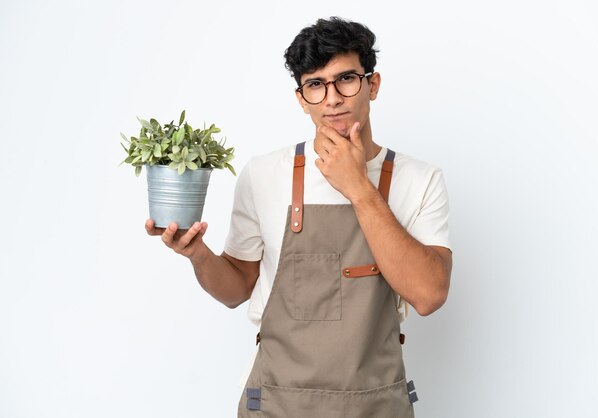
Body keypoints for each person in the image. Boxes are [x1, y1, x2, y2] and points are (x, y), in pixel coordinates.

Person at [146, 16, 452, 418]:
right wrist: (198, 254)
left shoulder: (420, 179)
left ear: (372, 85)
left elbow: (429, 295)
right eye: (315, 85)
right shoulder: (263, 174)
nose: (332, 99)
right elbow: (237, 288)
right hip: (278, 404)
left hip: (376, 406)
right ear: (301, 98)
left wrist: (358, 187)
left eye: (346, 79)